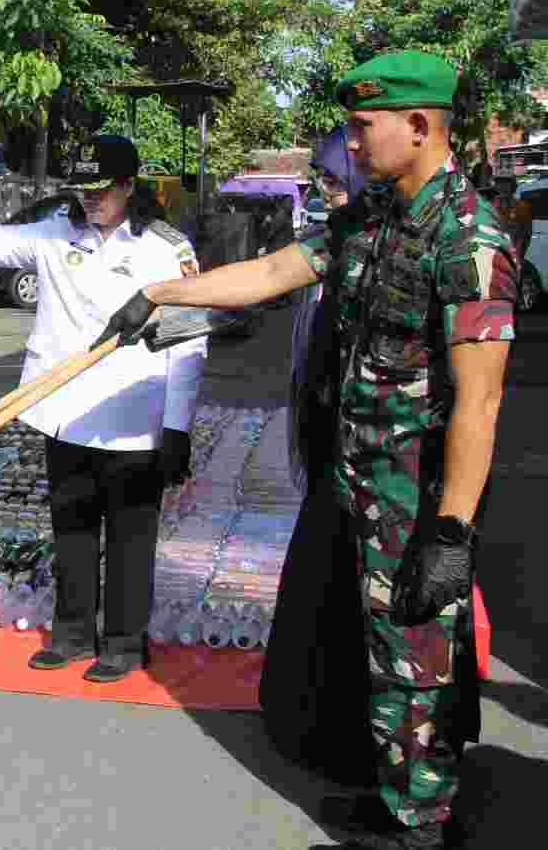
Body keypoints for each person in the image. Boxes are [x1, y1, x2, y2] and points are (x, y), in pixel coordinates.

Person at [93, 50, 511, 850]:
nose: (350, 145)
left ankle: (422, 826)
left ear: (420, 128)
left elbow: (481, 398)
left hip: (418, 500)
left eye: (362, 128)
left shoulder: (470, 238)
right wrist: (161, 293)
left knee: (417, 662)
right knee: (375, 657)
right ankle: (396, 801)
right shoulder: (375, 215)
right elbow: (278, 269)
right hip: (355, 482)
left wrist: (452, 530)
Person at [0, 134, 208, 683]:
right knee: (71, 528)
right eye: (82, 190)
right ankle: (71, 634)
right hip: (65, 412)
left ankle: (123, 643)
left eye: (100, 191)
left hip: (133, 417)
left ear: (128, 186)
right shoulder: (56, 232)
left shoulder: (167, 249)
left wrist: (177, 427)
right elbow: (0, 242)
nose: (89, 200)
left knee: (129, 536)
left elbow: (190, 341)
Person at [260, 125, 376, 788]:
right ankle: (313, 727)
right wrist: (166, 299)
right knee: (319, 592)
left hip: (383, 471)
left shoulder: (410, 243)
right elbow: (267, 276)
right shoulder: (332, 244)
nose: (326, 194)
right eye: (322, 182)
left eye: (334, 181)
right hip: (334, 452)